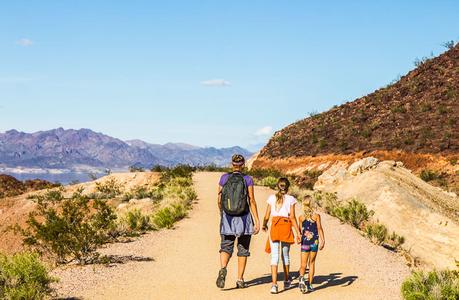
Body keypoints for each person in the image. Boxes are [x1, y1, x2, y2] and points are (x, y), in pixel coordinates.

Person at [216, 154, 260, 289]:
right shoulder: (248, 179)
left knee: (226, 246)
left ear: (232, 164)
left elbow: (219, 199)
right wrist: (257, 220)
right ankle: (240, 279)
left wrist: (222, 213)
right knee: (243, 248)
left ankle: (223, 269)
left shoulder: (224, 178)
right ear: (243, 165)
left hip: (227, 218)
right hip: (244, 218)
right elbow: (251, 200)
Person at [262, 177, 301, 294]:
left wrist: (264, 224)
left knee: (274, 257)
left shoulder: (271, 198)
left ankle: (274, 285)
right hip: (285, 227)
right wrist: (298, 232)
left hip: (274, 226)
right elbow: (292, 217)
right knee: (285, 255)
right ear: (288, 187)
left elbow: (267, 215)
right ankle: (286, 280)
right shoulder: (291, 199)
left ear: (277, 186)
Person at [298, 195, 325, 294]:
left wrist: (299, 238)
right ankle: (309, 284)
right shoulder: (316, 216)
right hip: (314, 242)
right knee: (312, 263)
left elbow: (301, 232)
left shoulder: (301, 217)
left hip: (305, 242)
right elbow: (319, 228)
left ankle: (301, 278)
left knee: (303, 264)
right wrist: (323, 240)